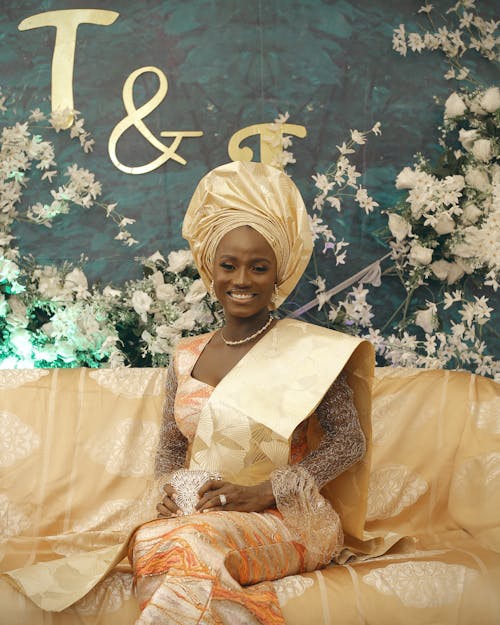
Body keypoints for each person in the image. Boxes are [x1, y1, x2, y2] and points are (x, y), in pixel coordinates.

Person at [128, 160, 375, 624]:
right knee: (149, 540)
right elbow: (170, 448)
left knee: (182, 545)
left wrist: (267, 491)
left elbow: (349, 440)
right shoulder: (184, 356)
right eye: (229, 265)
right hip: (199, 517)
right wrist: (167, 492)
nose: (241, 280)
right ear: (210, 270)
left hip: (290, 520)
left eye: (258, 268)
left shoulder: (308, 351)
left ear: (277, 274)